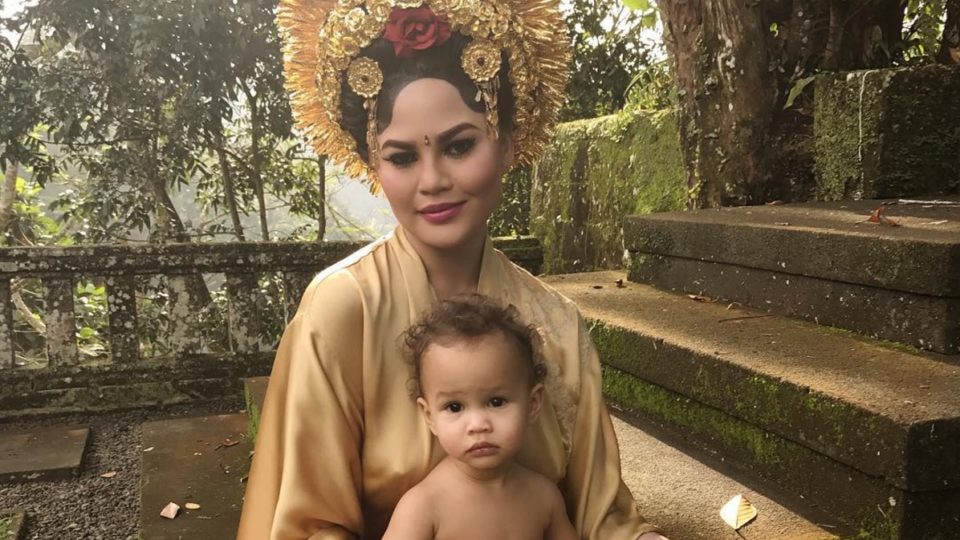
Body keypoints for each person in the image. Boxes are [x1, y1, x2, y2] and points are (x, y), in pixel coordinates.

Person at [237, 0, 669, 538]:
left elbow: (603, 518)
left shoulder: (556, 323)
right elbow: (308, 526)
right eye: (401, 157)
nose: (432, 180)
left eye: (459, 146)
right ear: (375, 164)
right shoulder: (342, 307)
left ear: (507, 144)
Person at [382, 295, 577, 540]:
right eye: (454, 407)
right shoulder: (423, 507)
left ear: (533, 404)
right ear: (429, 416)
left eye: (496, 402)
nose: (478, 425)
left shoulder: (544, 498)